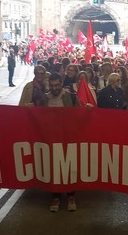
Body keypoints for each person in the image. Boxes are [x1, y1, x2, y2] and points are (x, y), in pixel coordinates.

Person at [43, 73, 80, 212]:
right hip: (50, 138)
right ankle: (56, 196)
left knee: (69, 165)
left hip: (68, 137)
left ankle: (71, 195)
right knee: (54, 167)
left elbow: (79, 114)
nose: (54, 88)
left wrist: (87, 110)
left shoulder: (71, 96)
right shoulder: (44, 98)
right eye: (52, 86)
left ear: (61, 83)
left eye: (57, 85)